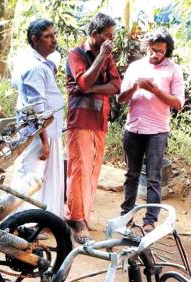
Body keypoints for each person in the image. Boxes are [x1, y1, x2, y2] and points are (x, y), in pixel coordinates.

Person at [117, 30, 184, 232]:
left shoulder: (174, 70)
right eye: (153, 50)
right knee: (131, 174)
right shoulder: (135, 67)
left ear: (167, 51)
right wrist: (134, 88)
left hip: (157, 130)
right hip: (134, 128)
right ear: (146, 47)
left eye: (161, 51)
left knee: (154, 176)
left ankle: (150, 220)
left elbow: (179, 103)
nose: (156, 55)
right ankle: (126, 215)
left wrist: (155, 90)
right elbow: (121, 98)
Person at [64, 13, 121, 243]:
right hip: (80, 120)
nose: (111, 41)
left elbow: (116, 85)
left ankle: (83, 215)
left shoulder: (107, 56)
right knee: (79, 170)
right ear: (95, 35)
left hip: (99, 120)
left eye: (112, 36)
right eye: (107, 36)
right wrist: (94, 79)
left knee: (93, 170)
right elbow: (84, 82)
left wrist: (93, 87)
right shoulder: (76, 54)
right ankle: (76, 220)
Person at [10, 18, 65, 216]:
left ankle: (38, 220)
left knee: (38, 176)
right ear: (35, 39)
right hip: (38, 134)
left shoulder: (41, 63)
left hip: (45, 132)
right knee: (29, 177)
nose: (54, 40)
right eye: (48, 36)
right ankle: (22, 222)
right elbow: (37, 109)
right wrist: (44, 141)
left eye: (54, 35)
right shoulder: (35, 67)